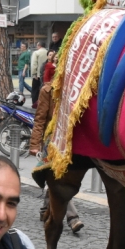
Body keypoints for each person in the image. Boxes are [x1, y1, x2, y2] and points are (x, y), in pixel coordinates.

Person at [30, 54, 84, 234]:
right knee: (59, 179)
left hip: (68, 143)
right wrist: (34, 144)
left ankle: (45, 208)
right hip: (51, 141)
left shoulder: (77, 91)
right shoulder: (47, 91)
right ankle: (73, 218)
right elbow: (39, 120)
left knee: (56, 178)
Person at [29, 41, 48, 107]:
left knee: (35, 91)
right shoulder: (48, 52)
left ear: (38, 46)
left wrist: (34, 74)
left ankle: (35, 104)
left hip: (37, 75)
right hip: (45, 75)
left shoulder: (36, 53)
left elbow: (34, 64)